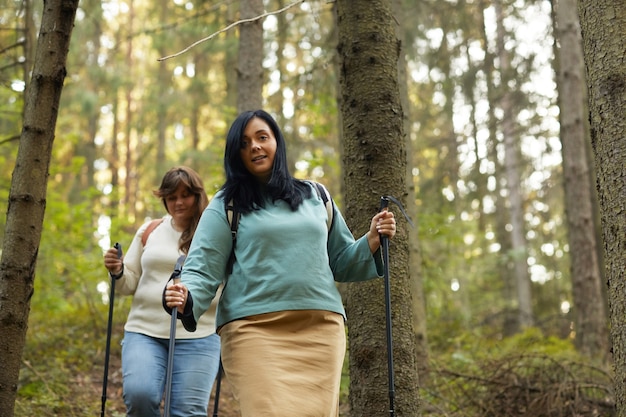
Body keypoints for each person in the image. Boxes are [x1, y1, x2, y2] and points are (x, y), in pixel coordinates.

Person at [163, 109, 396, 417]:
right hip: (253, 330)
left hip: (320, 329)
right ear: (236, 153)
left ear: (277, 142)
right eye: (245, 143)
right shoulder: (226, 204)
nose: (255, 147)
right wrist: (185, 294)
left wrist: (372, 241)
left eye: (262, 137)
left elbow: (340, 261)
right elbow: (203, 266)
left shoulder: (316, 195)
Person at [103, 166, 221, 417]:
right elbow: (129, 284)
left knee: (186, 411)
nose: (178, 202)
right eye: (171, 196)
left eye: (185, 195)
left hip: (199, 335)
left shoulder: (216, 233)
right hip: (144, 331)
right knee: (140, 397)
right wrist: (117, 270)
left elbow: (224, 284)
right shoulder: (150, 230)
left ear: (197, 196)